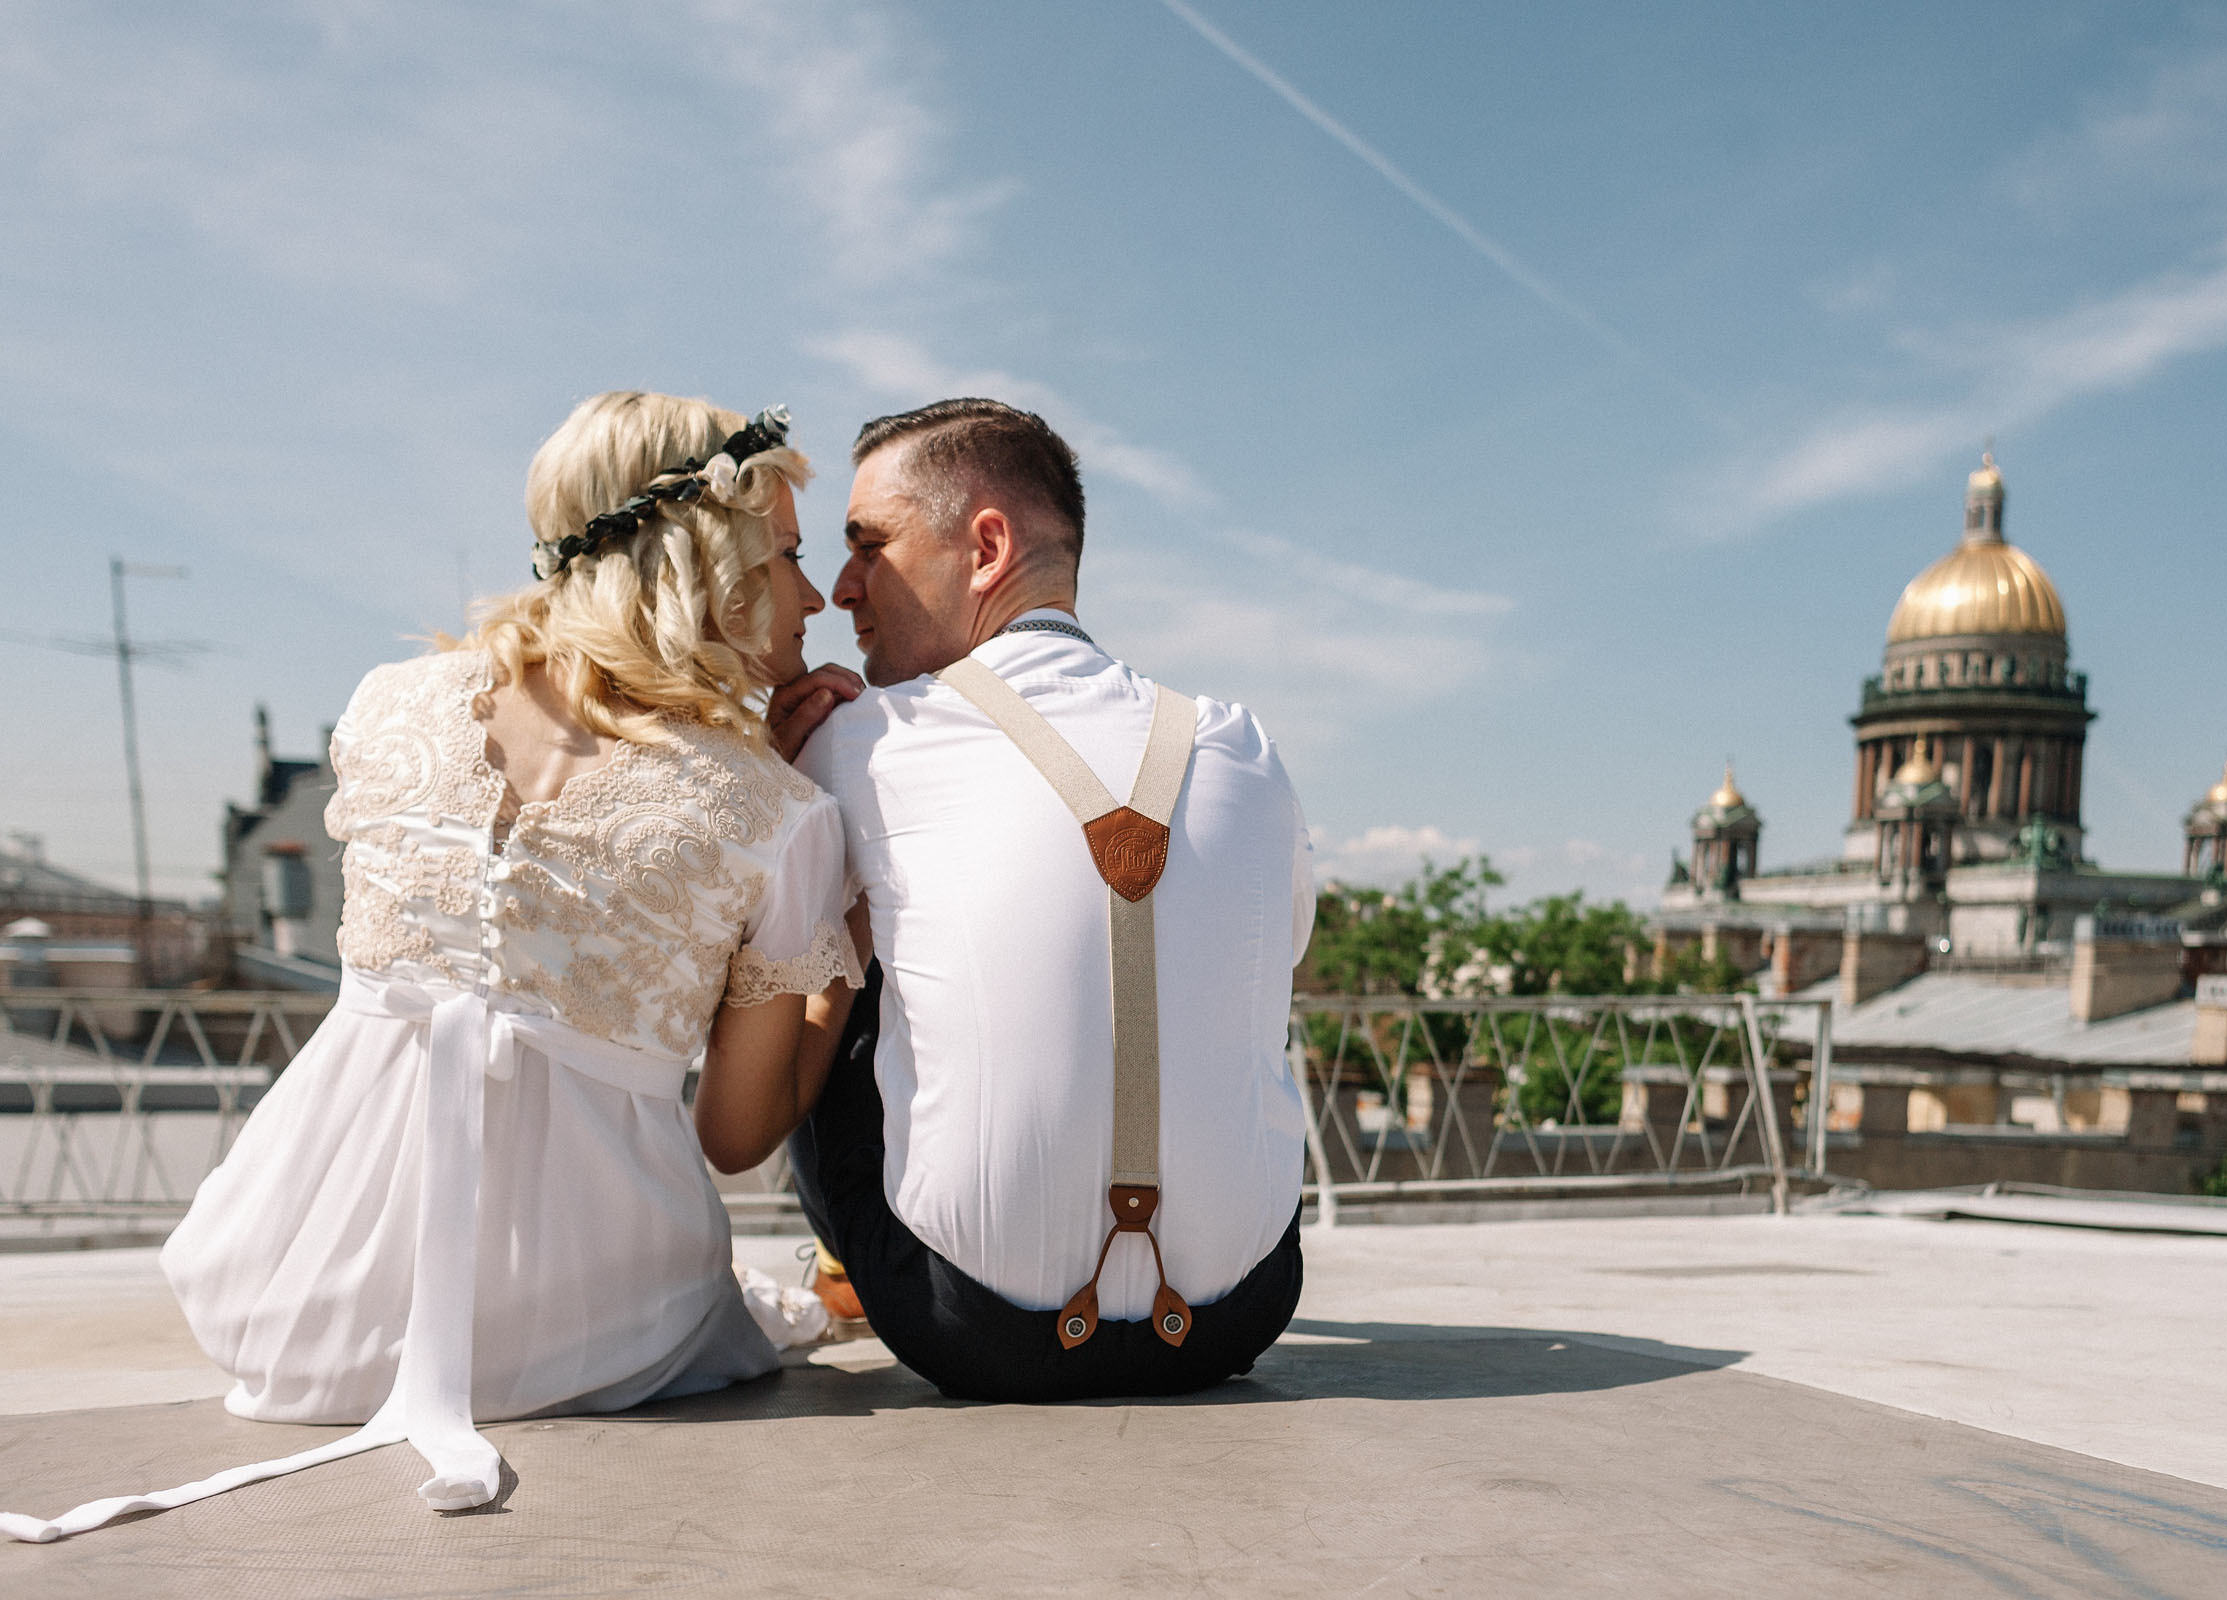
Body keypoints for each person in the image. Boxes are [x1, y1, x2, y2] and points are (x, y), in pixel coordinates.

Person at [2, 391, 865, 1544]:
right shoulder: (778, 809)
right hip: (597, 1316)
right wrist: (838, 935)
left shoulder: (386, 706)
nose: (816, 597)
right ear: (707, 558)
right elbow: (733, 1134)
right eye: (793, 556)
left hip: (292, 1293)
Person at [756, 398, 1312, 1403]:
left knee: (825, 950)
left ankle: (850, 1265)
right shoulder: (1242, 742)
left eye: (868, 545)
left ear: (986, 545)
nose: (842, 589)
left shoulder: (861, 738)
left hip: (966, 1326)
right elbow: (1287, 952)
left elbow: (753, 956)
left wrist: (771, 781)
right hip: (1239, 1315)